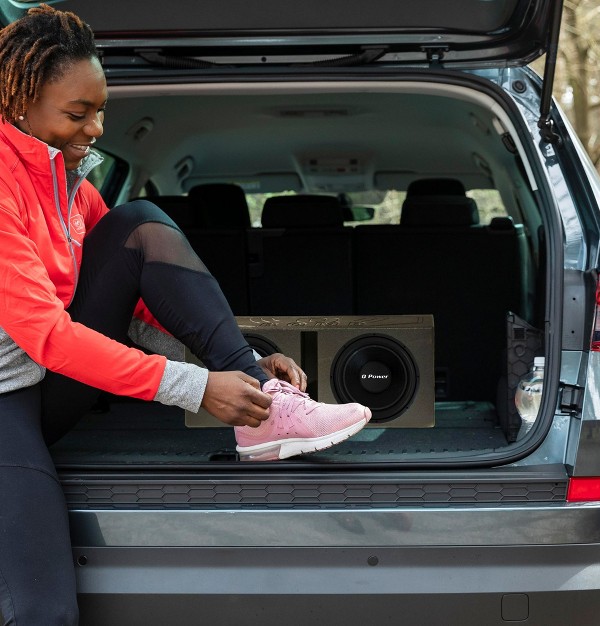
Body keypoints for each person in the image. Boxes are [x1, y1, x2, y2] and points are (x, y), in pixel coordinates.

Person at [0, 5, 371, 624]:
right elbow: (47, 336)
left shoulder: (71, 185)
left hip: (50, 387)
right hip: (7, 399)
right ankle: (261, 409)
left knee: (140, 222)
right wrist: (197, 389)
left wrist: (244, 367)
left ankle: (267, 408)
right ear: (20, 103)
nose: (95, 128)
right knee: (41, 609)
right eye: (77, 113)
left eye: (99, 110)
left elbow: (140, 301)